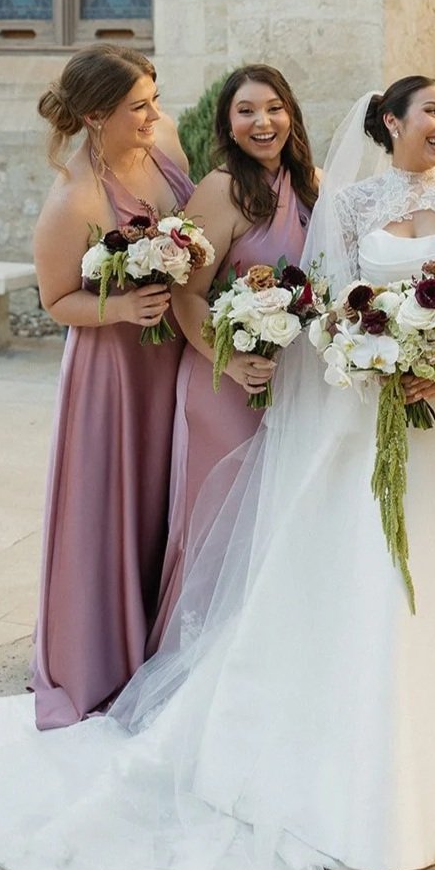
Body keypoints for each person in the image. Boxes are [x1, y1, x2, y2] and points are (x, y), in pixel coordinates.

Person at [0, 78, 435, 870]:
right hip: (335, 392)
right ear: (387, 124)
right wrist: (362, 354)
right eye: (426, 110)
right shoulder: (327, 198)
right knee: (277, 547)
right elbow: (325, 302)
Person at [31, 44, 193, 728]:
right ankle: (99, 656)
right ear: (97, 115)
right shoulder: (77, 199)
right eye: (139, 106)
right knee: (113, 502)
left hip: (172, 357)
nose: (154, 114)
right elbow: (55, 301)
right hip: (113, 374)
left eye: (154, 98)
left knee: (170, 494)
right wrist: (122, 309)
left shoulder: (166, 147)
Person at [146, 65, 317, 653]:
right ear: (228, 123)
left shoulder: (312, 184)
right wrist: (230, 358)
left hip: (293, 385)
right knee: (218, 522)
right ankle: (194, 660)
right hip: (224, 380)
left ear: (290, 113)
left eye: (272, 107)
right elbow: (186, 294)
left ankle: (259, 657)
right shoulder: (222, 189)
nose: (261, 122)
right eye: (245, 111)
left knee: (274, 525)